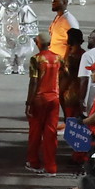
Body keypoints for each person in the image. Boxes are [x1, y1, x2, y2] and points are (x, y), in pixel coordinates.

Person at [27, 39, 64, 174]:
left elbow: (34, 82)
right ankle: (51, 167)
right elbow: (64, 76)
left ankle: (34, 163)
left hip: (39, 100)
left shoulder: (36, 59)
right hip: (54, 99)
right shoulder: (58, 58)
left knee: (35, 133)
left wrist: (28, 102)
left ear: (38, 43)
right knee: (50, 133)